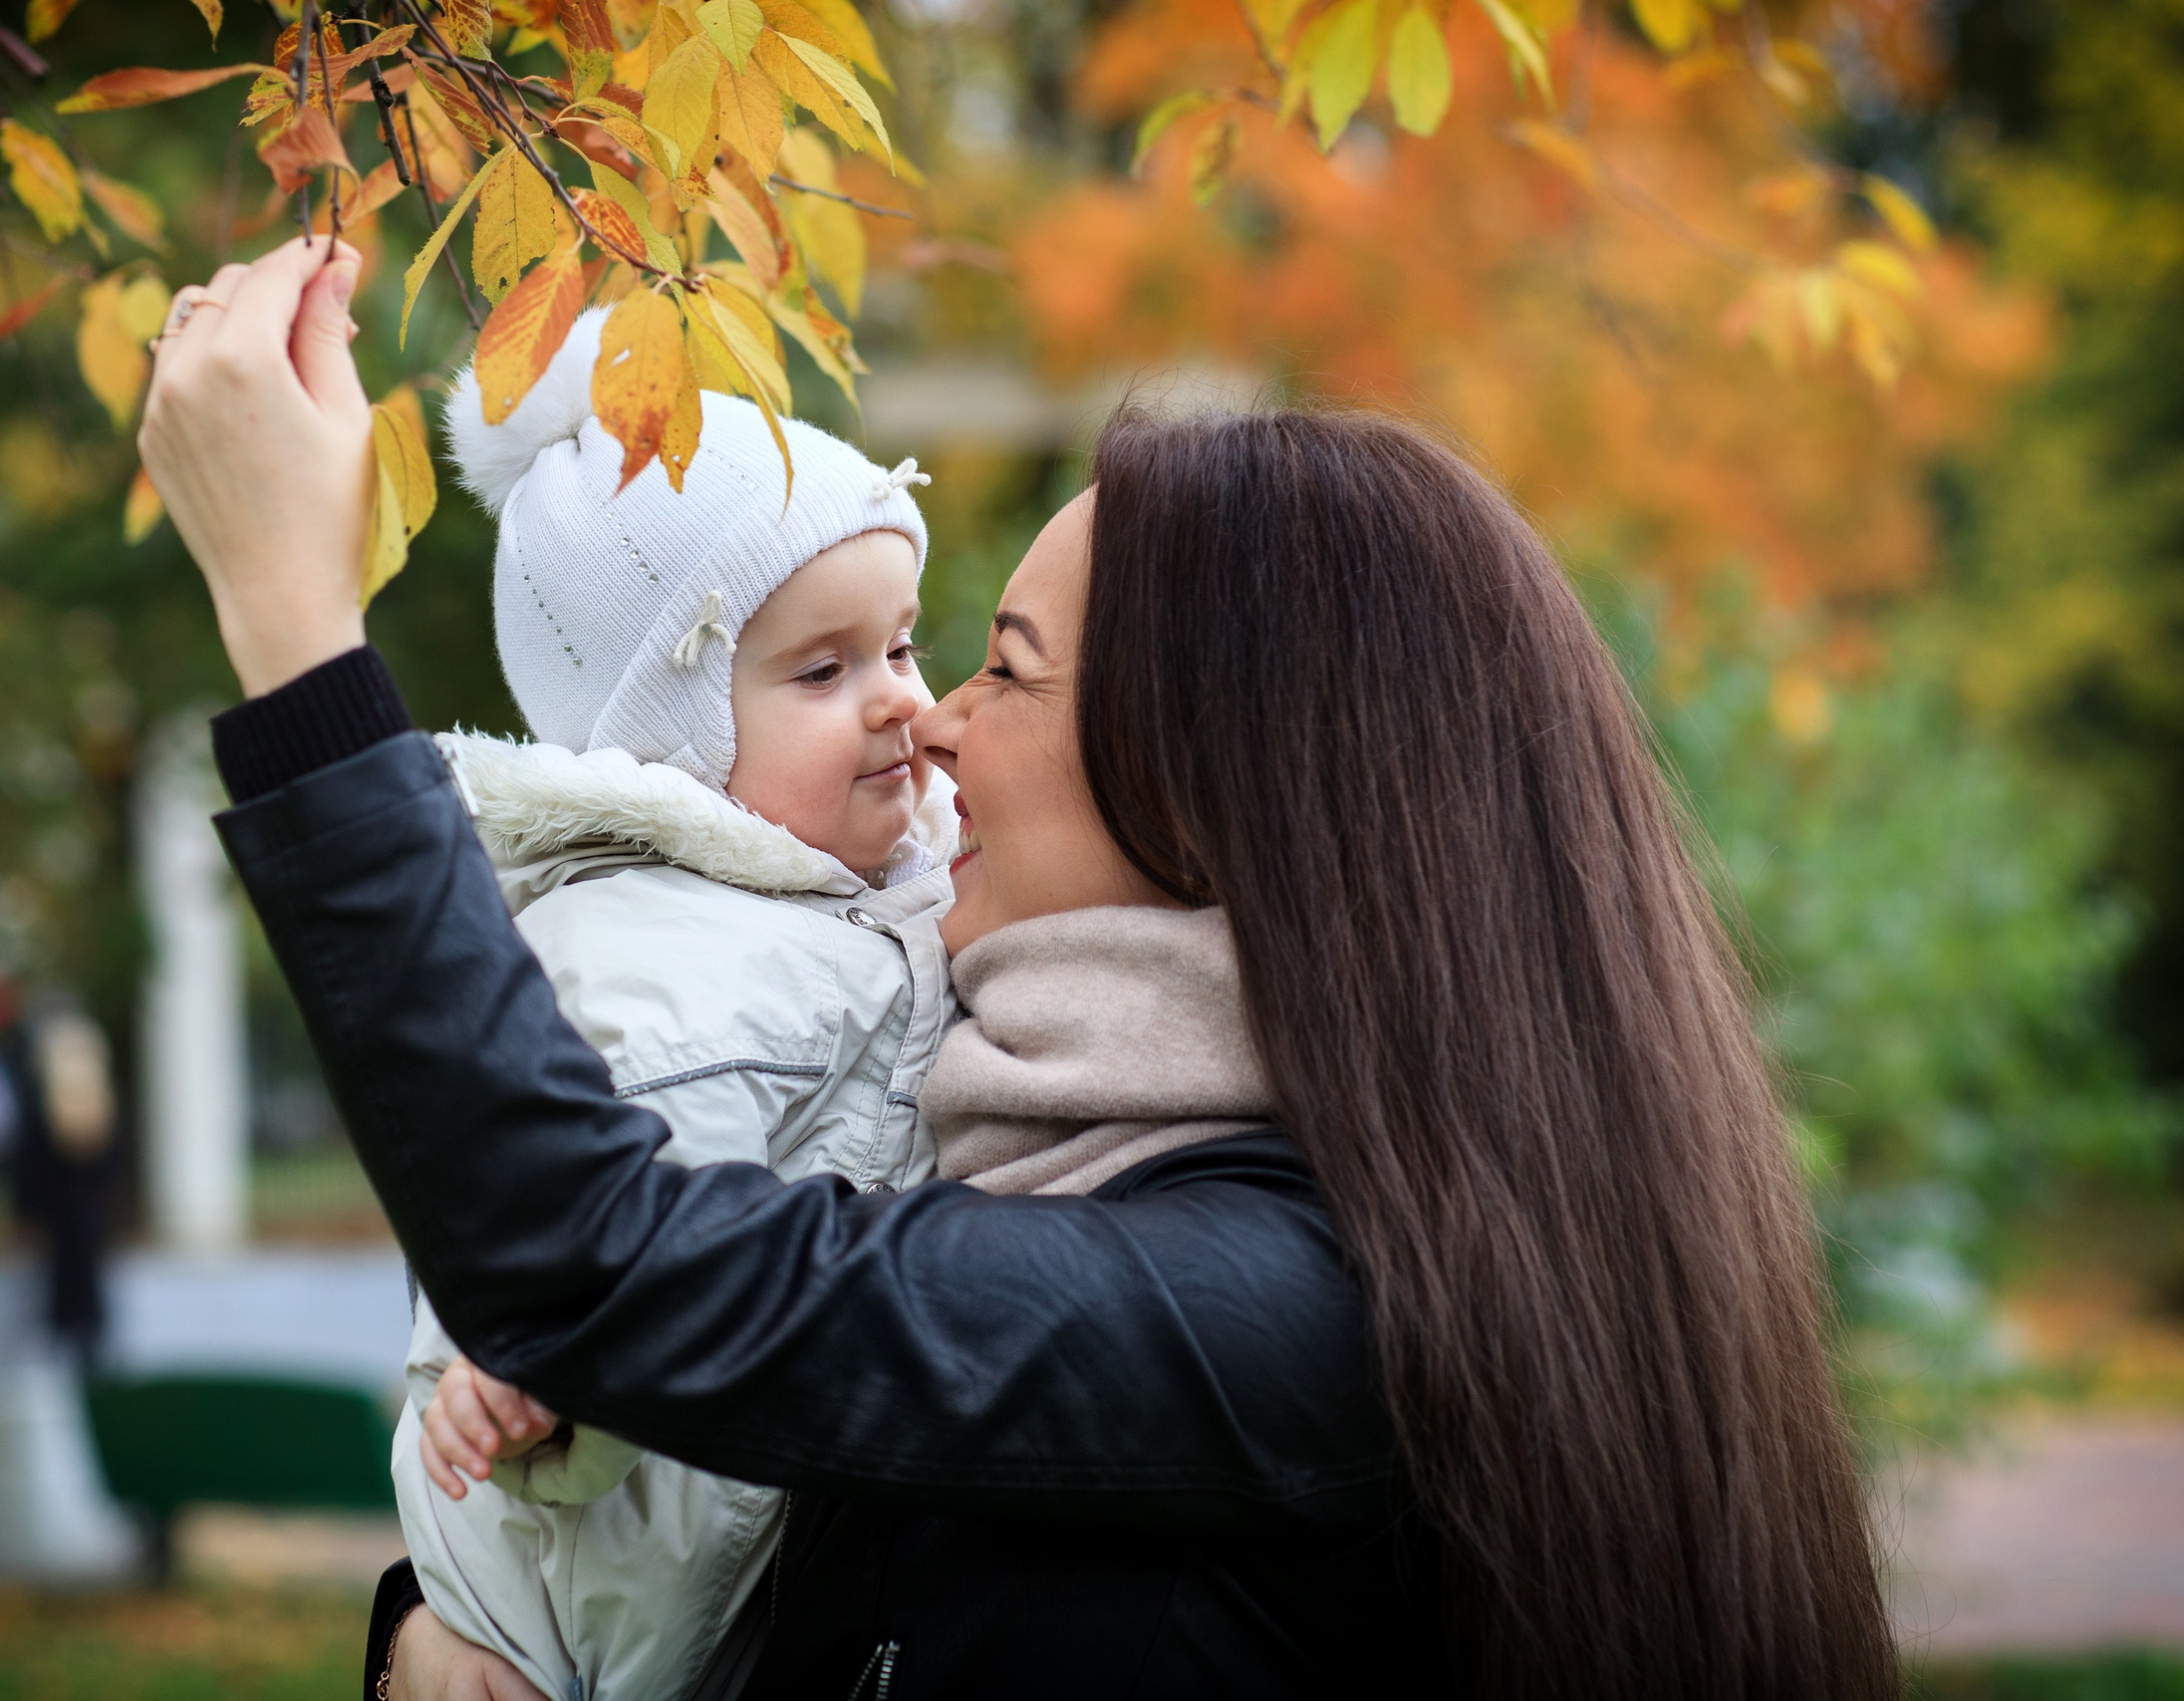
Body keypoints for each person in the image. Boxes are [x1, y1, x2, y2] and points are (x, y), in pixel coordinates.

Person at [139, 237, 1900, 1699]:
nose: (936, 724)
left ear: (1212, 794)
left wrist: (295, 633)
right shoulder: (991, 1147)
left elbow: (589, 1258)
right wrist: (442, 1633)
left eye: (1003, 667)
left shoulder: (1280, 1311)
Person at [393, 304, 956, 1701]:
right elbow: (564, 1203)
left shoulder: (875, 885)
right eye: (822, 670)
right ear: (672, 738)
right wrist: (540, 1366)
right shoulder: (647, 947)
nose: (899, 699)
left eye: (902, 645)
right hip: (589, 1578)